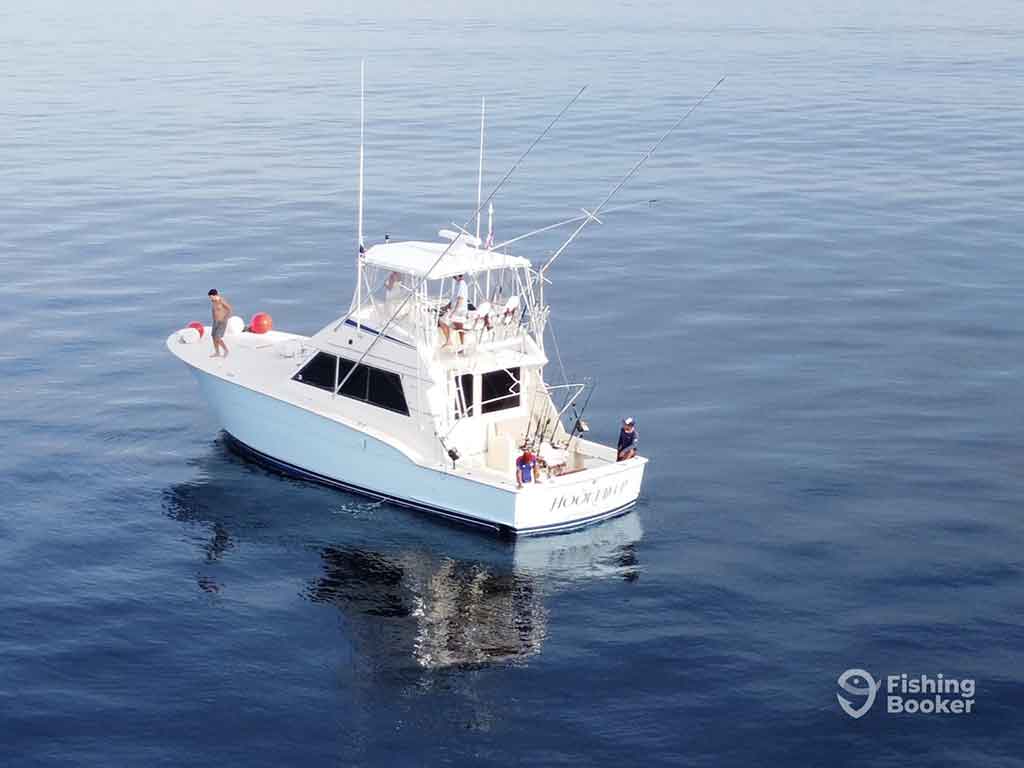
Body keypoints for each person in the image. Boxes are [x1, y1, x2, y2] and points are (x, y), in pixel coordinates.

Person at [439, 274, 468, 349]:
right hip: (457, 309)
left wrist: (453, 312)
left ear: (459, 276)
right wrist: (446, 306)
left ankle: (451, 341)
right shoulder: (458, 284)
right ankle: (450, 341)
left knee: (442, 321)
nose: (454, 278)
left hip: (459, 310)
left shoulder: (461, 284)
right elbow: (454, 299)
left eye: (455, 276)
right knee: (444, 321)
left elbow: (460, 299)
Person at [208, 288, 233, 358]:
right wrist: (214, 318)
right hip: (215, 321)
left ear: (214, 295)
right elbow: (215, 310)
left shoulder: (222, 301)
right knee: (213, 336)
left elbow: (230, 309)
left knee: (217, 337)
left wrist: (226, 318)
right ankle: (217, 352)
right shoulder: (213, 301)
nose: (210, 298)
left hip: (222, 322)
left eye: (210, 297)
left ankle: (226, 350)